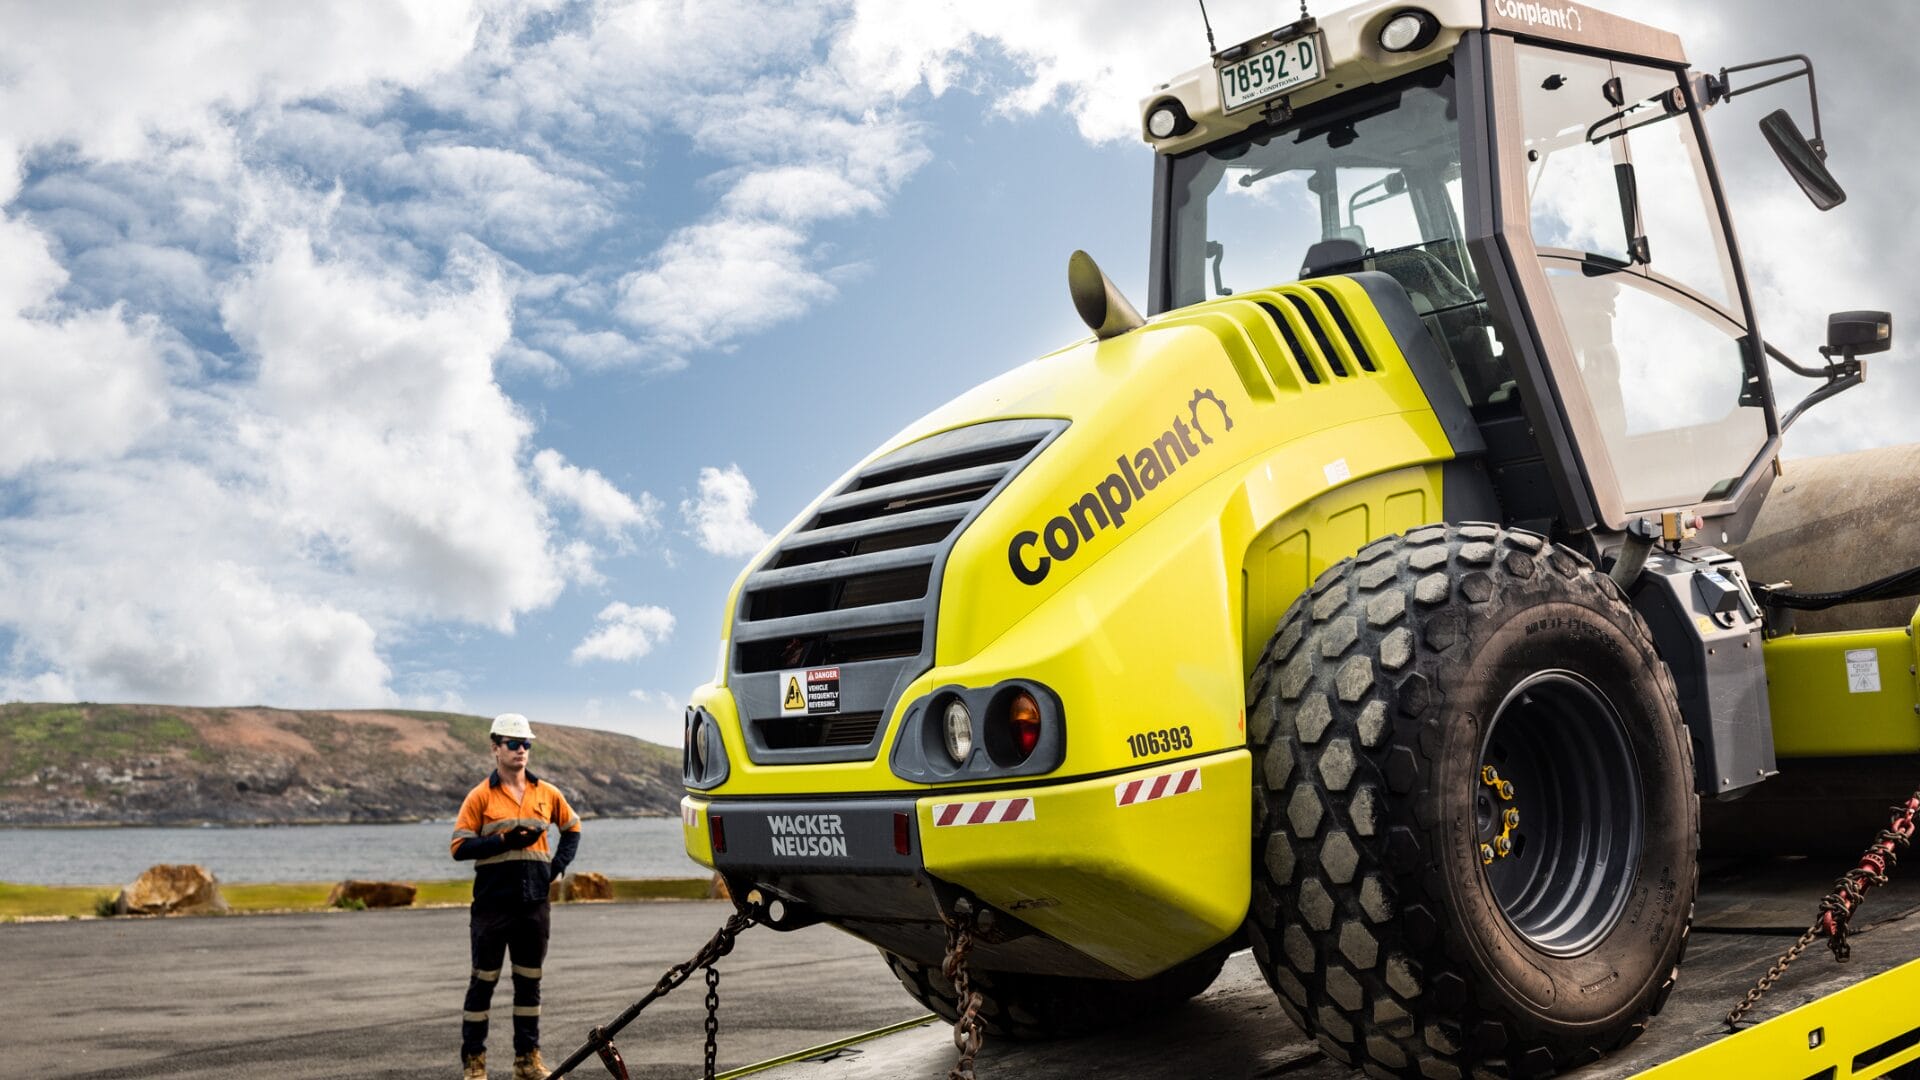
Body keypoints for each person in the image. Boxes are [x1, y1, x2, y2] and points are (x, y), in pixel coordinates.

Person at [450, 713, 582, 1080]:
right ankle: (474, 1064)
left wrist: (557, 867)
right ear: (495, 748)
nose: (521, 750)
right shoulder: (480, 796)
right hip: (493, 907)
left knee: (529, 983)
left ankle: (527, 1061)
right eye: (513, 744)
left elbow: (573, 828)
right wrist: (503, 840)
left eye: (526, 744)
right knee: (483, 983)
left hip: (534, 906)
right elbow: (459, 847)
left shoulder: (547, 793)